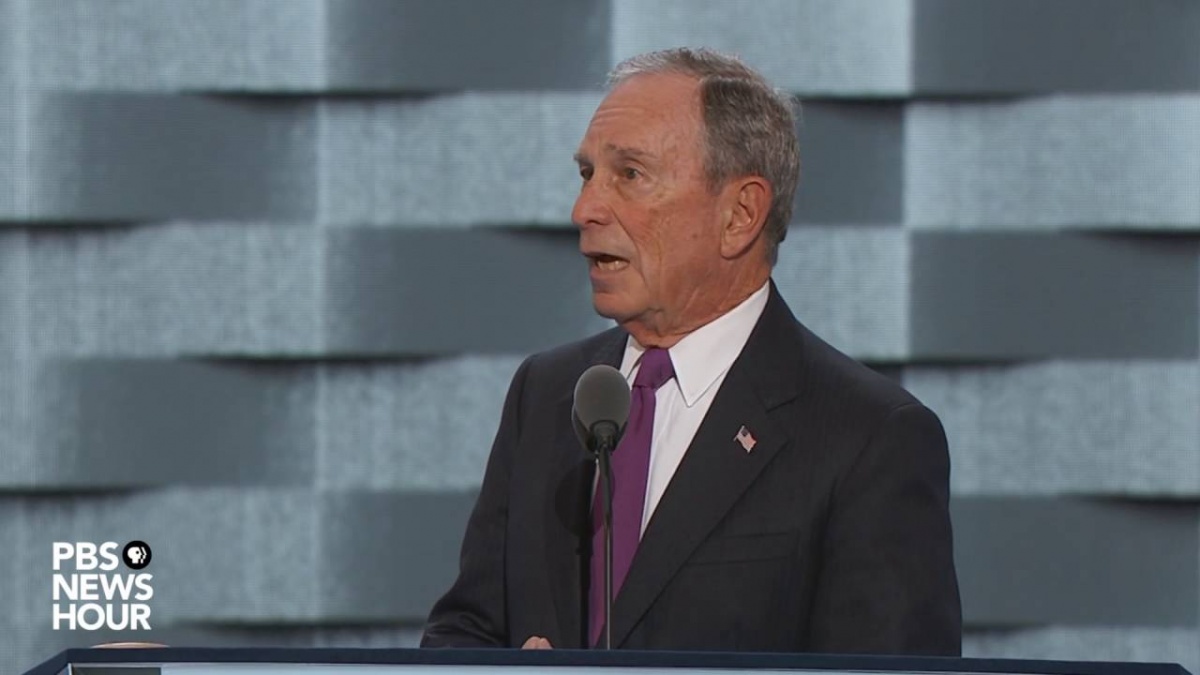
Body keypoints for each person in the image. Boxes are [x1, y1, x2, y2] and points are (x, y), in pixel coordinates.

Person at [421, 47, 961, 655]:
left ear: (739, 215)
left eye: (630, 175)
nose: (585, 209)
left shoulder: (869, 437)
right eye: (587, 174)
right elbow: (463, 632)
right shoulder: (547, 393)